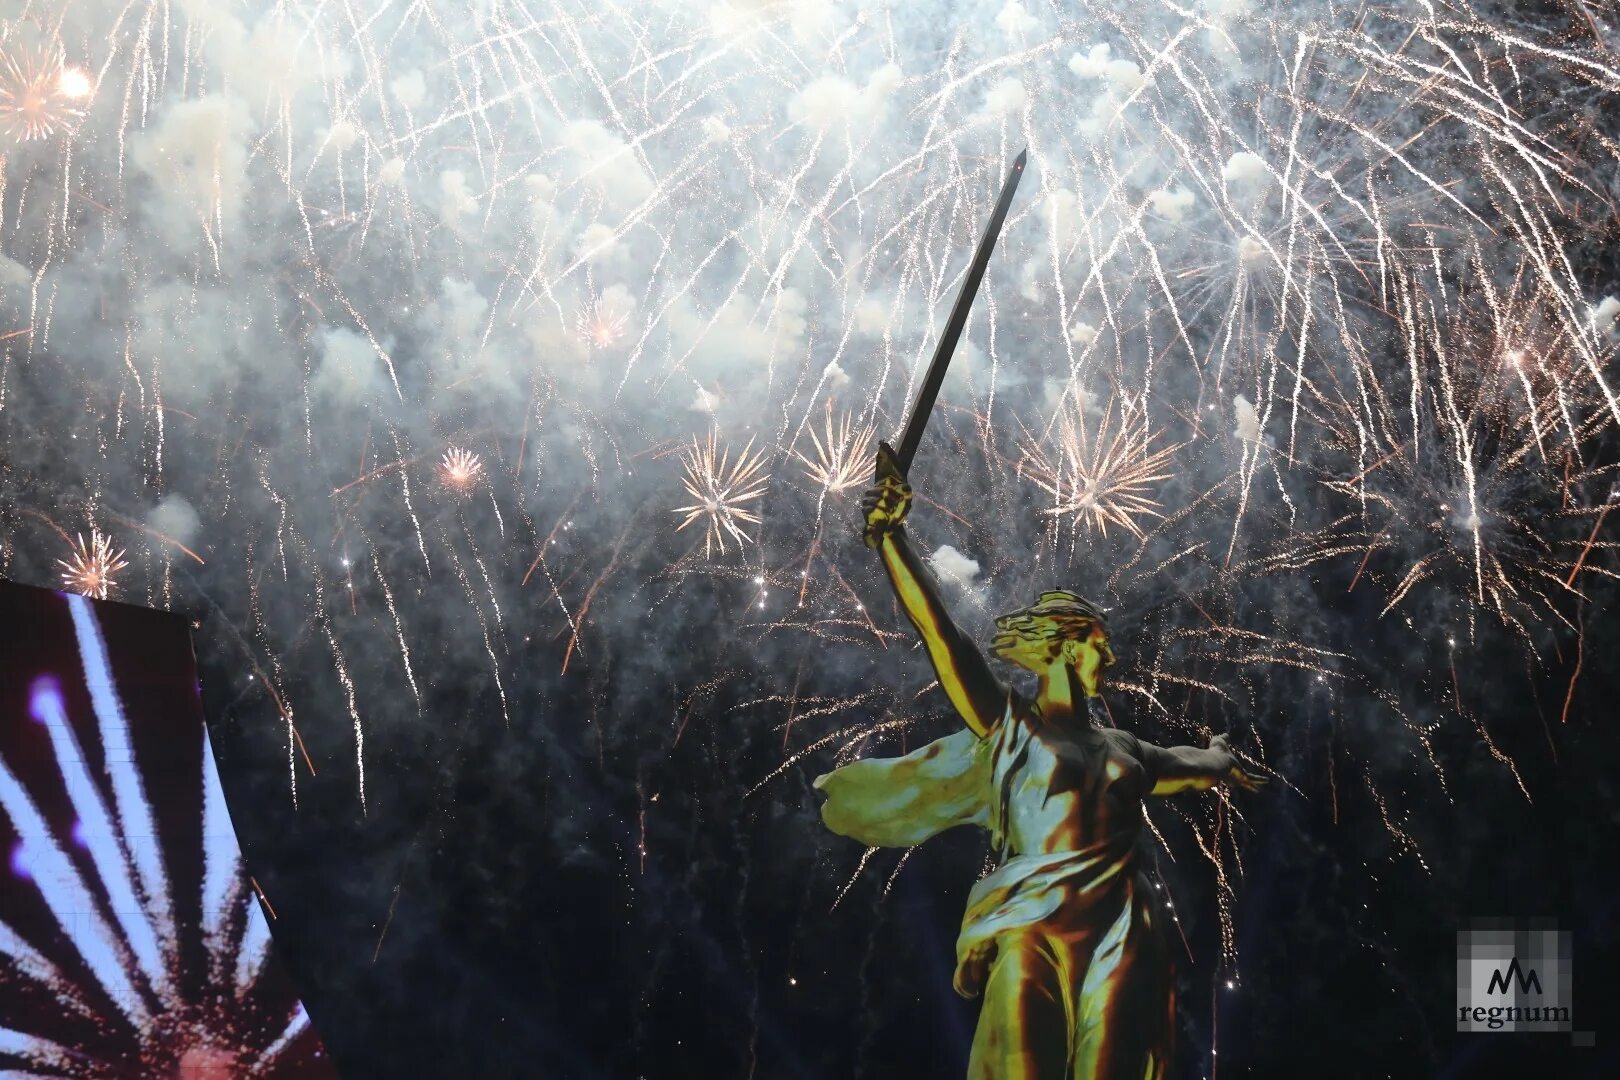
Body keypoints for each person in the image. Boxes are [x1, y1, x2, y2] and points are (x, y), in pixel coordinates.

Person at [814, 442, 1265, 1079]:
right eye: (1098, 648)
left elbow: (1186, 763)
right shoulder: (1010, 727)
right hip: (1032, 923)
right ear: (1062, 645)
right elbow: (943, 637)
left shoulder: (1124, 748)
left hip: (1121, 927)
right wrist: (890, 538)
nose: (1109, 663)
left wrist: (1221, 757)